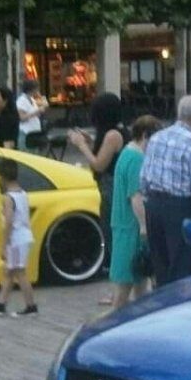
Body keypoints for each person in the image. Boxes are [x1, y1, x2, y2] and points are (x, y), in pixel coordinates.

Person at [141, 94, 191, 285]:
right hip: (179, 207)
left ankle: (162, 304)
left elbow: (144, 177)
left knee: (160, 264)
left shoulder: (156, 138)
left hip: (154, 204)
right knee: (181, 265)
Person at [108, 116, 161, 309]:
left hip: (123, 223)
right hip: (131, 227)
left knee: (138, 280)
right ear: (145, 136)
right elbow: (136, 196)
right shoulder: (137, 159)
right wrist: (144, 225)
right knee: (126, 283)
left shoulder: (126, 154)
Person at [66, 93, 126, 258]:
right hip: (109, 185)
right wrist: (91, 141)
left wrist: (82, 145)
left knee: (110, 225)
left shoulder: (112, 135)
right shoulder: (113, 132)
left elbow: (99, 164)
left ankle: (113, 259)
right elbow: (105, 154)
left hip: (111, 185)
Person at [0, 157, 37, 317]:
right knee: (9, 272)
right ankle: (1, 303)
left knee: (19, 272)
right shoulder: (22, 193)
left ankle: (31, 306)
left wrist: (4, 245)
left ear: (1, 176)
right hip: (23, 237)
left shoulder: (8, 198)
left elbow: (9, 222)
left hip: (16, 239)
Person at [15, 78, 48, 151]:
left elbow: (36, 114)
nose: (38, 90)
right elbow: (22, 117)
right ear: (32, 89)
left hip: (34, 134)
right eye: (37, 88)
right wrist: (37, 111)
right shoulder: (22, 100)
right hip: (26, 134)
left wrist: (40, 109)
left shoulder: (32, 100)